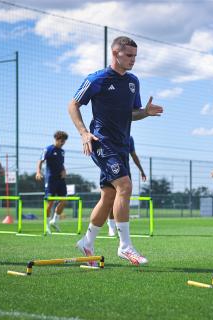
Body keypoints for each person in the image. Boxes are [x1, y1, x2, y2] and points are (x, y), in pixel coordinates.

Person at [68, 36, 163, 266]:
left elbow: (133, 113)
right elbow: (73, 104)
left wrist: (145, 112)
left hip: (121, 145)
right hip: (101, 142)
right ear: (115, 53)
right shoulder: (97, 79)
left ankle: (87, 242)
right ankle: (125, 246)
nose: (133, 60)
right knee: (125, 186)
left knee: (109, 196)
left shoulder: (133, 82)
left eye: (135, 56)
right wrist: (83, 132)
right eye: (128, 55)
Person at [107, 135, 147, 236]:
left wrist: (141, 170)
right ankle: (111, 225)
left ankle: (121, 228)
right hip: (110, 168)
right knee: (110, 199)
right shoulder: (109, 132)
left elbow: (133, 155)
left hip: (124, 171)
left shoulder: (129, 138)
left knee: (123, 199)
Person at [35, 131, 69, 234]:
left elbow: (61, 164)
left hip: (60, 180)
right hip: (50, 179)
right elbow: (40, 161)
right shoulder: (48, 149)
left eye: (64, 141)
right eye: (61, 141)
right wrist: (38, 172)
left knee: (64, 200)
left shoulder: (62, 152)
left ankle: (54, 220)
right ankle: (46, 225)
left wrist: (64, 171)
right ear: (56, 139)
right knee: (49, 203)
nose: (63, 143)